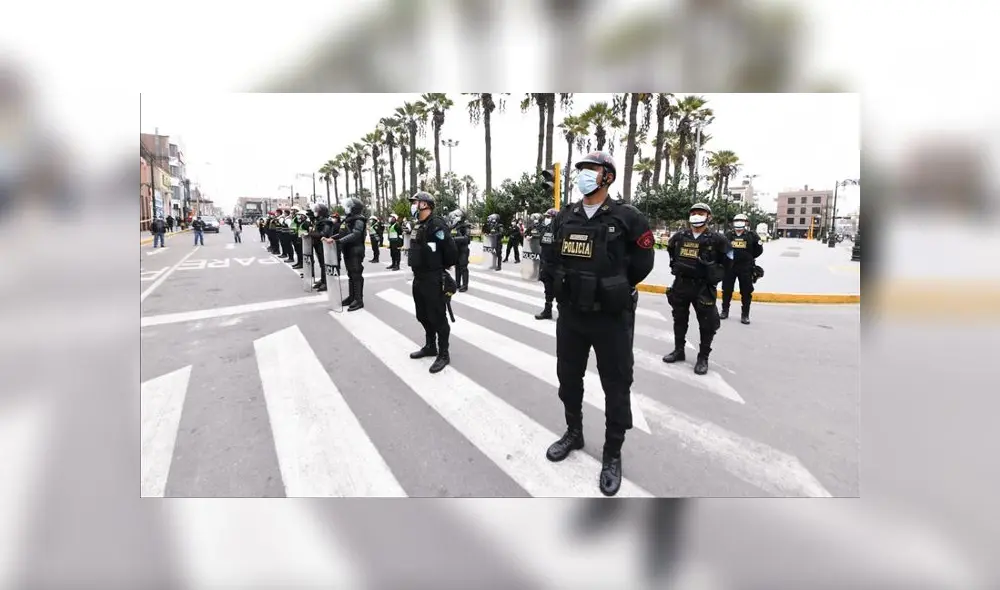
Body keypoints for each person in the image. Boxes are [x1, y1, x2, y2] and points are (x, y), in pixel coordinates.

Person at [545, 151, 655, 497]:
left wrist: (613, 288)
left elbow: (643, 262)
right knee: (568, 378)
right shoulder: (566, 216)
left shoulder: (627, 217)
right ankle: (574, 433)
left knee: (616, 386)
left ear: (607, 176)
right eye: (580, 171)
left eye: (589, 170)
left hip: (610, 317)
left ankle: (612, 453)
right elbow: (551, 257)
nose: (582, 176)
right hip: (572, 316)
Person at [662, 203, 732, 375]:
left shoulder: (717, 239)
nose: (696, 216)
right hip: (681, 284)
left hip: (703, 286)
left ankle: (703, 358)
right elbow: (670, 249)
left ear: (709, 217)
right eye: (693, 213)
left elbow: (729, 259)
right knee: (679, 318)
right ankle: (679, 350)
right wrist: (674, 265)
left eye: (701, 213)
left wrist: (716, 273)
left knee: (707, 324)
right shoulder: (680, 236)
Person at [406, 191, 454, 374]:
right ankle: (430, 346)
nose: (413, 205)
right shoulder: (420, 225)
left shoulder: (436, 224)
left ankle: (443, 353)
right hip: (419, 277)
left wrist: (442, 266)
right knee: (422, 315)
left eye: (415, 202)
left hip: (433, 278)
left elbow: (450, 249)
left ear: (425, 204)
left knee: (438, 317)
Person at [721, 213, 763, 324]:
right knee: (727, 290)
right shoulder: (728, 235)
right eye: (737, 221)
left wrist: (748, 257)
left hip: (745, 267)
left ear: (746, 223)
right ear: (733, 223)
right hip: (730, 267)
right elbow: (723, 248)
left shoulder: (751, 235)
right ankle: (725, 311)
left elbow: (758, 250)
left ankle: (745, 315)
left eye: (741, 221)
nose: (739, 223)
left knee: (746, 291)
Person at [334, 198, 367, 311]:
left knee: (356, 274)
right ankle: (352, 297)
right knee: (350, 274)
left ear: (354, 208)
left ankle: (358, 300)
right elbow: (341, 233)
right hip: (348, 250)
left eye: (348, 206)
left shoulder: (359, 220)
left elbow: (356, 234)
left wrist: (340, 241)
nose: (346, 208)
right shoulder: (348, 219)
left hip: (356, 250)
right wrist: (331, 239)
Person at [534, 208, 559, 319]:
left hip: (556, 264)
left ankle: (563, 313)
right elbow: (540, 239)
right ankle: (547, 311)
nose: (546, 219)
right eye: (546, 217)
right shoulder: (544, 228)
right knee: (547, 288)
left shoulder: (559, 230)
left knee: (559, 290)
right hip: (545, 262)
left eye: (548, 217)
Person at [309, 203, 336, 292]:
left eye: (317, 211)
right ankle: (323, 280)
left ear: (321, 212)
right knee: (321, 264)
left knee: (325, 264)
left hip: (324, 245)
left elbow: (324, 234)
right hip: (318, 245)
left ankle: (326, 282)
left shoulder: (326, 222)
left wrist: (311, 234)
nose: (315, 212)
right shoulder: (319, 220)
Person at [448, 208, 471, 291]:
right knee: (457, 267)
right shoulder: (454, 226)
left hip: (463, 250)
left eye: (456, 216)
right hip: (456, 249)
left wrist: (454, 239)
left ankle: (465, 285)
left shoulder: (466, 225)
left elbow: (467, 239)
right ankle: (457, 284)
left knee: (463, 267)